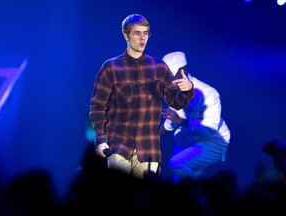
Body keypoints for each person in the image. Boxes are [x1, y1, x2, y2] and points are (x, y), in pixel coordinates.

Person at [89, 14, 194, 180]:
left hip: (148, 148)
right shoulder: (111, 67)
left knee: (146, 201)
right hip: (118, 145)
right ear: (126, 35)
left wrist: (188, 90)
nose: (142, 38)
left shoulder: (159, 67)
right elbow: (97, 107)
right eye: (137, 33)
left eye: (146, 33)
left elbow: (176, 102)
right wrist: (100, 140)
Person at [160, 51, 231, 183]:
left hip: (213, 141)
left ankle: (199, 189)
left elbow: (209, 128)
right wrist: (163, 128)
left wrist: (181, 121)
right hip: (189, 140)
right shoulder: (176, 91)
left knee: (176, 164)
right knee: (179, 179)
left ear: (182, 72)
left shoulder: (209, 94)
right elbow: (175, 116)